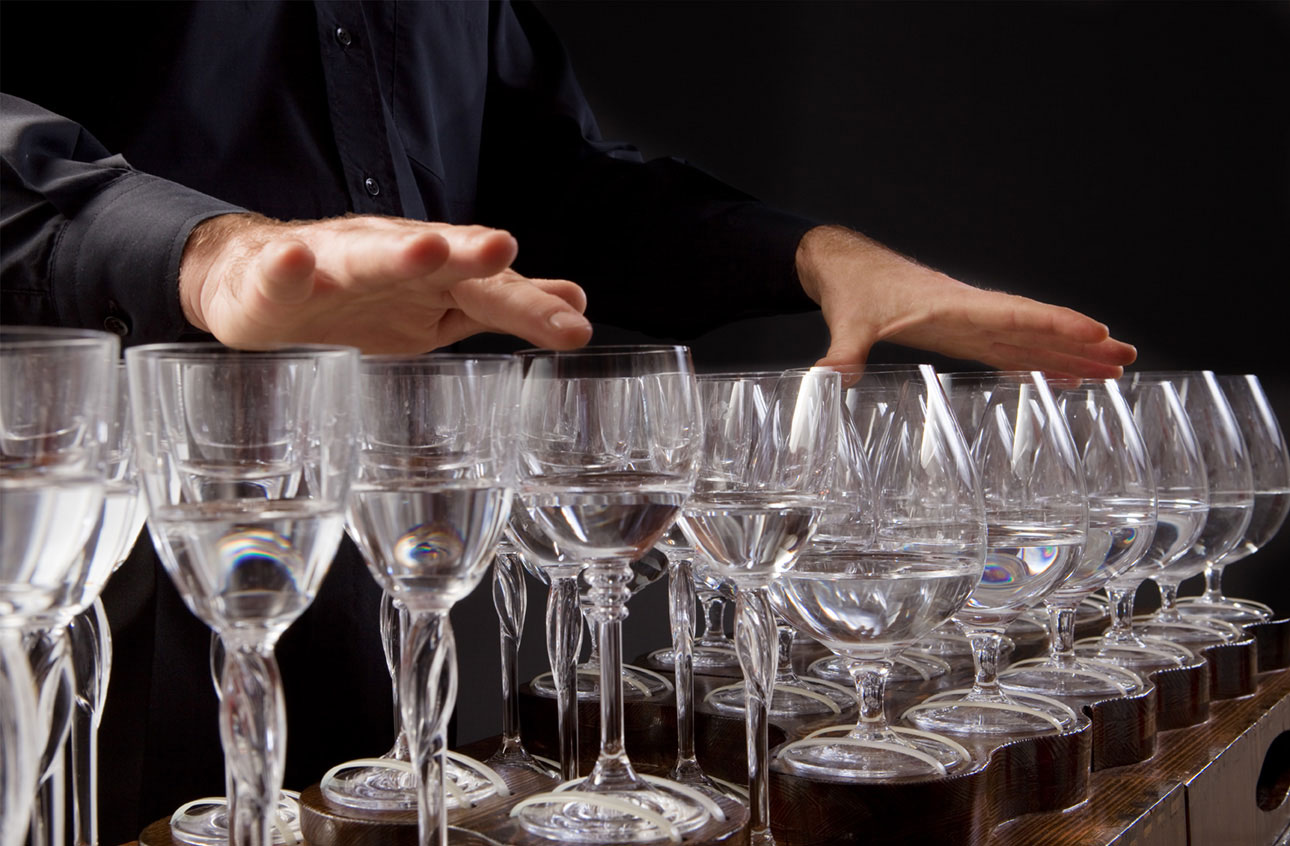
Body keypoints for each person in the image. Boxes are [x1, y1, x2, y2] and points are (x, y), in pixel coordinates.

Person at [1, 1, 1134, 836]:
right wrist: (207, 256)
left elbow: (556, 187)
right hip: (68, 548)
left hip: (367, 554)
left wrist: (814, 257)